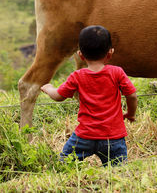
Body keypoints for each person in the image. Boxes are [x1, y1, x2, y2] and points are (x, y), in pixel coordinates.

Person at [41, 25, 138, 166]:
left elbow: (58, 96)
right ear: (110, 53)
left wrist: (48, 88)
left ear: (80, 55)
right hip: (113, 138)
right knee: (119, 173)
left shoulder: (77, 76)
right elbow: (132, 95)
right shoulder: (117, 72)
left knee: (63, 164)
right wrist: (130, 113)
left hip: (84, 136)